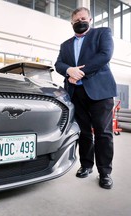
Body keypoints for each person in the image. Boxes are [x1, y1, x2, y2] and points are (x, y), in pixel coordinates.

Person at [55, 7, 117, 189]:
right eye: (75, 20)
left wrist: (79, 72)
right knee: (83, 132)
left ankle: (105, 172)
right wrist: (68, 70)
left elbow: (105, 55)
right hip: (76, 93)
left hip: (100, 92)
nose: (79, 22)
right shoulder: (65, 45)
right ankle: (86, 165)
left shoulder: (102, 33)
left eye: (83, 18)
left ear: (90, 20)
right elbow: (58, 64)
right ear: (71, 23)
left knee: (103, 132)